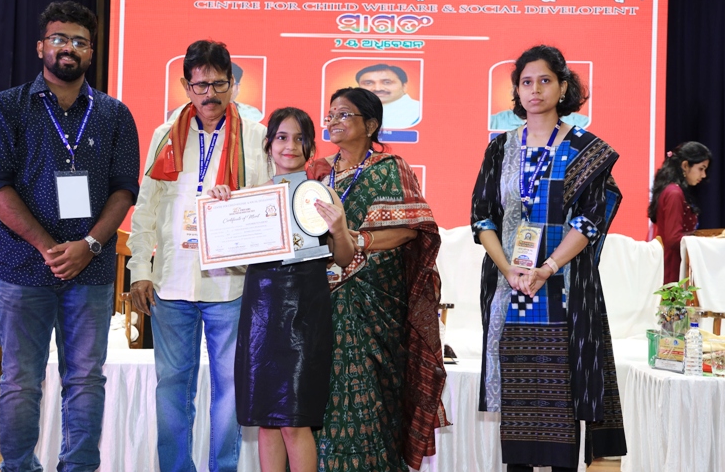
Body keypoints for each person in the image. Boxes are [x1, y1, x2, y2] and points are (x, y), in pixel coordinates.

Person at [0, 1, 140, 471]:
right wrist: (48, 247)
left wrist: (89, 246)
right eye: (59, 38)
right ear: (41, 47)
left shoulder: (114, 114)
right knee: (20, 380)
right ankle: (18, 467)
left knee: (86, 379)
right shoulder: (7, 107)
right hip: (23, 267)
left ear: (91, 52)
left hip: (91, 270)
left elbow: (124, 188)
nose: (69, 47)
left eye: (80, 41)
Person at [470, 45, 626, 471]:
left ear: (562, 87)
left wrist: (547, 267)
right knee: (518, 401)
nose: (535, 90)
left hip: (564, 288)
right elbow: (482, 218)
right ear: (517, 91)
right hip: (511, 288)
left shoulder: (585, 149)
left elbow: (590, 221)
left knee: (562, 397)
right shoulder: (500, 148)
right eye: (526, 82)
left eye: (544, 80)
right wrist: (509, 269)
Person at [127, 40, 270, 472]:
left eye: (219, 84)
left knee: (229, 388)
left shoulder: (256, 136)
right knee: (172, 387)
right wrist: (139, 269)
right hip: (171, 283)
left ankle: (222, 468)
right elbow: (146, 208)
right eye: (201, 85)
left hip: (231, 283)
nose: (210, 94)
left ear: (233, 85)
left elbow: (266, 205)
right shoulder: (165, 135)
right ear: (186, 86)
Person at [209, 107, 355, 472]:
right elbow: (229, 254)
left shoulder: (323, 195)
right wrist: (222, 206)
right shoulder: (249, 198)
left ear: (311, 147)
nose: (290, 146)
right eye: (282, 137)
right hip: (262, 311)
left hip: (306, 312)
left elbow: (343, 257)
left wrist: (339, 229)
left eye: (299, 139)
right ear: (268, 144)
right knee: (267, 419)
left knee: (294, 421)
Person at [308, 87, 447, 471]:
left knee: (370, 399)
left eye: (344, 114)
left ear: (370, 125)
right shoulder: (318, 173)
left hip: (373, 304)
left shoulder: (389, 168)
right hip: (321, 303)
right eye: (331, 115)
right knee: (319, 400)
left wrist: (357, 240)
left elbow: (412, 228)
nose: (334, 121)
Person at [648, 142, 712, 283]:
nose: (703, 175)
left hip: (676, 266)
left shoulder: (673, 190)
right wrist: (713, 240)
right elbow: (673, 239)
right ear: (685, 165)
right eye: (701, 169)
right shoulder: (674, 193)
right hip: (673, 271)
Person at [355, 64, 420, 129]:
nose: (378, 88)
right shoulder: (352, 110)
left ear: (404, 86)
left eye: (387, 82)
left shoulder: (420, 112)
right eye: (368, 83)